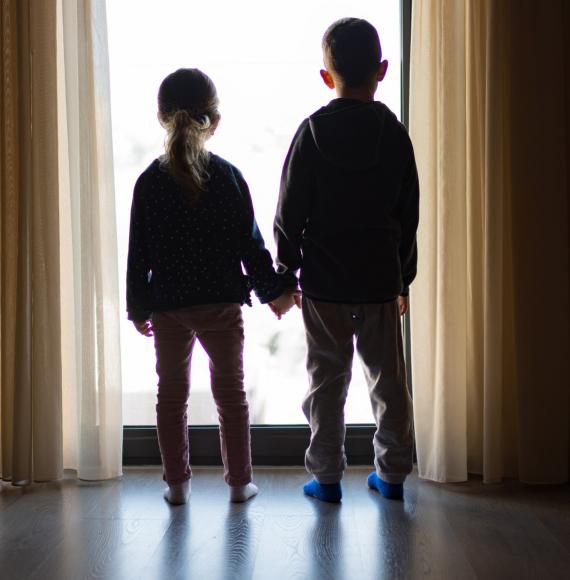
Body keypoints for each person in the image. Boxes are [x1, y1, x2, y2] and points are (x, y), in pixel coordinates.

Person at [127, 68, 296, 505]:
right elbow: (251, 247)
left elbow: (138, 254)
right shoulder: (228, 177)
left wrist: (138, 308)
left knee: (171, 396)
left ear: (163, 118)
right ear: (214, 120)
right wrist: (275, 292)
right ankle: (240, 484)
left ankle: (177, 485)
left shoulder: (149, 182)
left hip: (168, 306)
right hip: (221, 304)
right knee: (231, 394)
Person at [274, 18, 419, 502]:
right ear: (382, 70)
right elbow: (408, 214)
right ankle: (393, 474)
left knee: (326, 382)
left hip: (324, 283)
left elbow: (288, 212)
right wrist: (403, 280)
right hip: (379, 278)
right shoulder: (395, 134)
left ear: (325, 75)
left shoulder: (311, 133)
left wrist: (285, 271)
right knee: (388, 382)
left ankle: (328, 477)